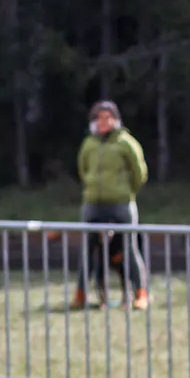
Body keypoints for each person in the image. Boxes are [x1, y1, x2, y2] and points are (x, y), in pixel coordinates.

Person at [75, 100, 150, 311]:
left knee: (130, 247)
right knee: (88, 248)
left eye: (108, 118)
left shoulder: (126, 142)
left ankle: (140, 293)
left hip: (121, 203)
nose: (103, 122)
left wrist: (126, 190)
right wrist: (92, 185)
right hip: (93, 203)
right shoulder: (88, 143)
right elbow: (83, 169)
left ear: (115, 120)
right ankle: (81, 293)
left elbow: (139, 172)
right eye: (99, 118)